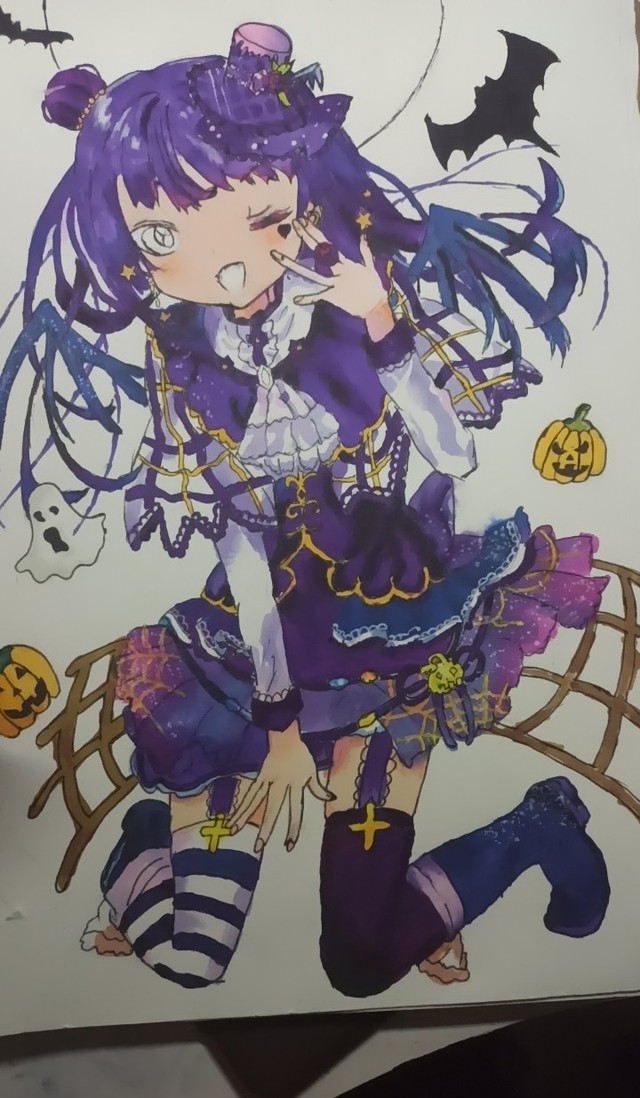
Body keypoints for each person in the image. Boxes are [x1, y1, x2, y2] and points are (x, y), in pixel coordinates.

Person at [1, 22, 609, 990]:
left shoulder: (353, 307)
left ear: (300, 199)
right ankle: (144, 845)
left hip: (392, 627)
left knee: (359, 959)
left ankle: (535, 826)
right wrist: (280, 728)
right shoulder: (187, 360)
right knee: (194, 960)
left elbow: (453, 451)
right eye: (161, 239)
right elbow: (243, 555)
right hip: (252, 674)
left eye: (261, 222)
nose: (229, 272)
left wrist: (379, 320)